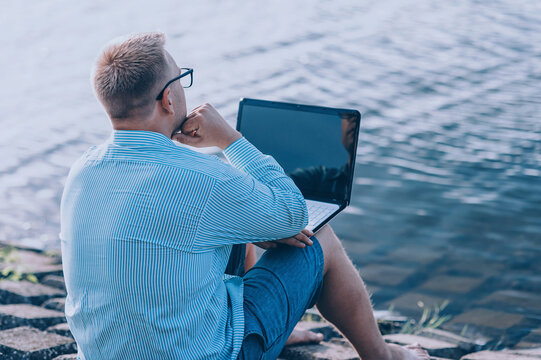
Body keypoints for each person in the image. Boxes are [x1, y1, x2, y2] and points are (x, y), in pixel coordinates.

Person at [60, 32, 429, 360]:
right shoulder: (203, 178)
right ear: (168, 99)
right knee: (321, 239)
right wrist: (230, 139)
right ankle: (384, 355)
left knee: (236, 228)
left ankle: (274, 325)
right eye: (182, 79)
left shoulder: (81, 173)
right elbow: (295, 214)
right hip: (213, 354)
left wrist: (255, 225)